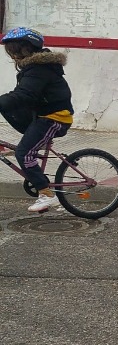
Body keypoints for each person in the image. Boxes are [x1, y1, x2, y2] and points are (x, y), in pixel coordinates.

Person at [0, 27, 74, 213]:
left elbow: (23, 95)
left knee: (23, 154)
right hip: (43, 116)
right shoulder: (35, 68)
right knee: (26, 149)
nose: (12, 56)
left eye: (14, 50)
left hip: (54, 118)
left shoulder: (39, 69)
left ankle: (47, 194)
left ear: (26, 49)